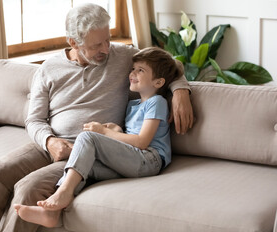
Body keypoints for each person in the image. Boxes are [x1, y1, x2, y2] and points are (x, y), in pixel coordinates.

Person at [0, 3, 193, 232]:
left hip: (87, 151)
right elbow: (34, 120)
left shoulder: (122, 57)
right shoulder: (49, 68)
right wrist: (49, 142)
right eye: (96, 45)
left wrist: (181, 91)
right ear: (73, 42)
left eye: (107, 39)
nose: (105, 49)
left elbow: (169, 65)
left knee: (28, 188)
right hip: (48, 144)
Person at [13, 47, 184, 227]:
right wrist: (116, 131)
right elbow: (131, 140)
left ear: (158, 82)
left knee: (87, 137)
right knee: (83, 166)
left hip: (150, 160)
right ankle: (52, 213)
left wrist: (104, 133)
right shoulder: (133, 104)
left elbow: (142, 142)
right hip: (135, 159)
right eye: (133, 68)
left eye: (140, 70)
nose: (132, 73)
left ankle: (62, 193)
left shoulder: (157, 102)